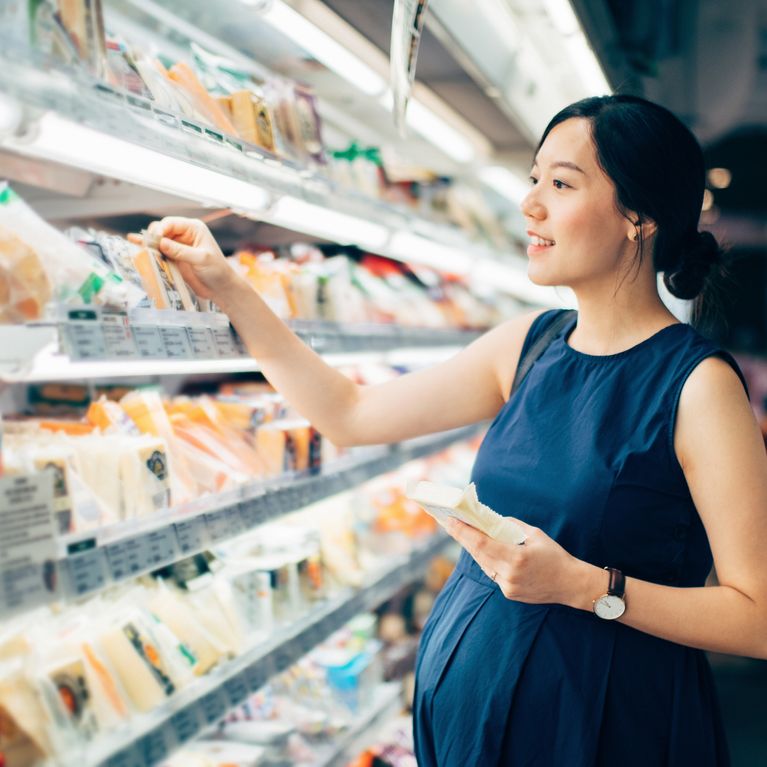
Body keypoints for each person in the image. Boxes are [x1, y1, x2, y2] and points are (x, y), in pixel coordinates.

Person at [137, 94, 767, 766]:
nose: (529, 205)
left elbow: (755, 616)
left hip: (601, 722)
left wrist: (583, 585)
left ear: (637, 216)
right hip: (473, 715)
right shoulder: (527, 346)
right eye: (532, 180)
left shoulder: (697, 387)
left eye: (559, 183)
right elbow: (348, 413)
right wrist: (228, 286)